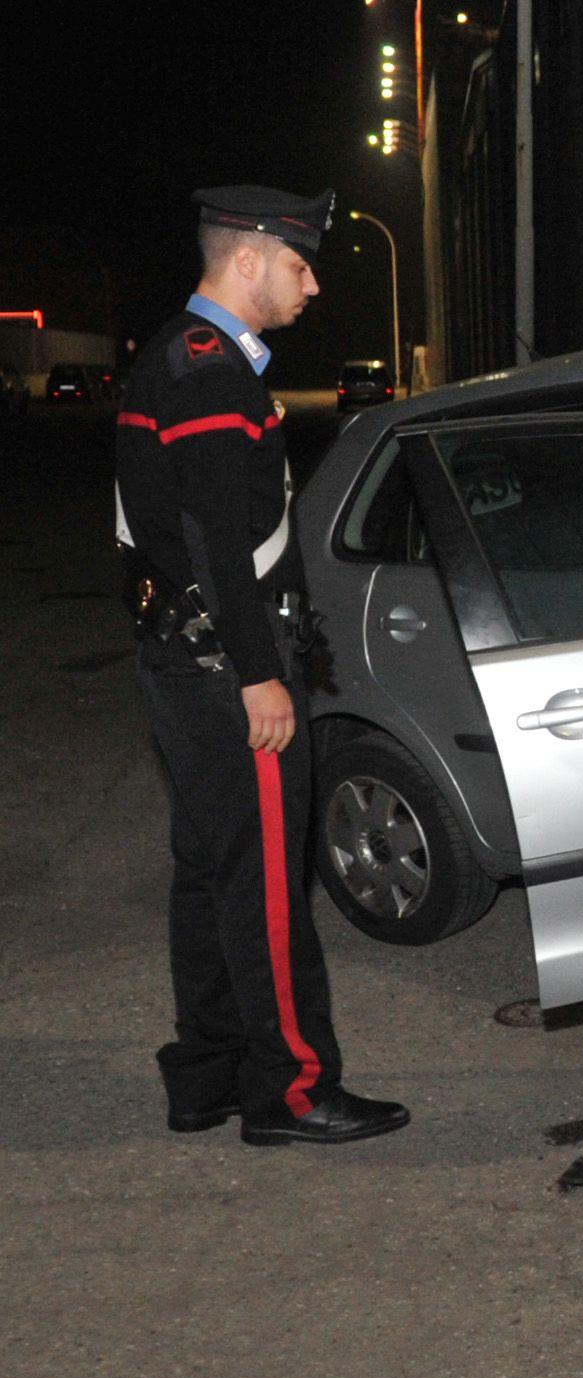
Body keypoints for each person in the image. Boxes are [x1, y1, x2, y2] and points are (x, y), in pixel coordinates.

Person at [115, 185, 408, 1146]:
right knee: (270, 886)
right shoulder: (206, 372)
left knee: (209, 876)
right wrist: (257, 672)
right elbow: (209, 541)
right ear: (247, 260)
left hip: (182, 664)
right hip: (221, 669)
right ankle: (291, 1089)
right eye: (298, 263)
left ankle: (206, 1075)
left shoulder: (183, 358)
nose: (313, 283)